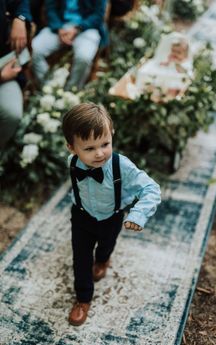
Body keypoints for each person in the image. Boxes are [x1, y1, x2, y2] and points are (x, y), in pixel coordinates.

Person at [62, 102, 161, 326]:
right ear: (72, 148)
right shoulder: (72, 163)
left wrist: (138, 214)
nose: (99, 153)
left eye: (105, 144)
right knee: (81, 258)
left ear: (112, 135)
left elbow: (151, 188)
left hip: (112, 217)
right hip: (81, 217)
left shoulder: (121, 166)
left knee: (106, 245)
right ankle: (83, 298)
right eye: (89, 148)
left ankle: (104, 259)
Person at [31, 0, 109, 90]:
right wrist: (58, 28)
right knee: (34, 50)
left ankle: (71, 91)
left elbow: (98, 15)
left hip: (86, 28)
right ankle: (49, 88)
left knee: (84, 58)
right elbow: (51, 9)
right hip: (60, 27)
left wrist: (77, 28)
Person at [0, 0, 32, 149]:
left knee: (12, 114)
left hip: (6, 66)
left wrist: (20, 18)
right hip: (2, 74)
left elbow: (21, 2)